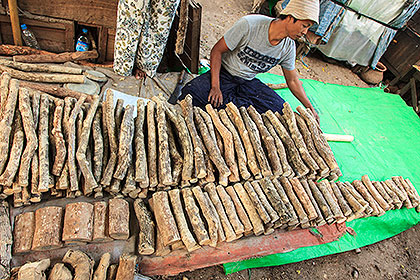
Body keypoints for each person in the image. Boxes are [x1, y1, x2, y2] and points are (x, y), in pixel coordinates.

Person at [179, 0, 320, 122]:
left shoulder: (288, 46)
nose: (305, 32)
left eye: (308, 28)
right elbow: (217, 50)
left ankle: (235, 106)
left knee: (280, 110)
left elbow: (293, 81)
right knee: (192, 93)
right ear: (291, 17)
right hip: (224, 75)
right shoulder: (250, 25)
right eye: (304, 25)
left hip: (247, 82)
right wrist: (215, 86)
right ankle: (238, 106)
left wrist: (310, 108)